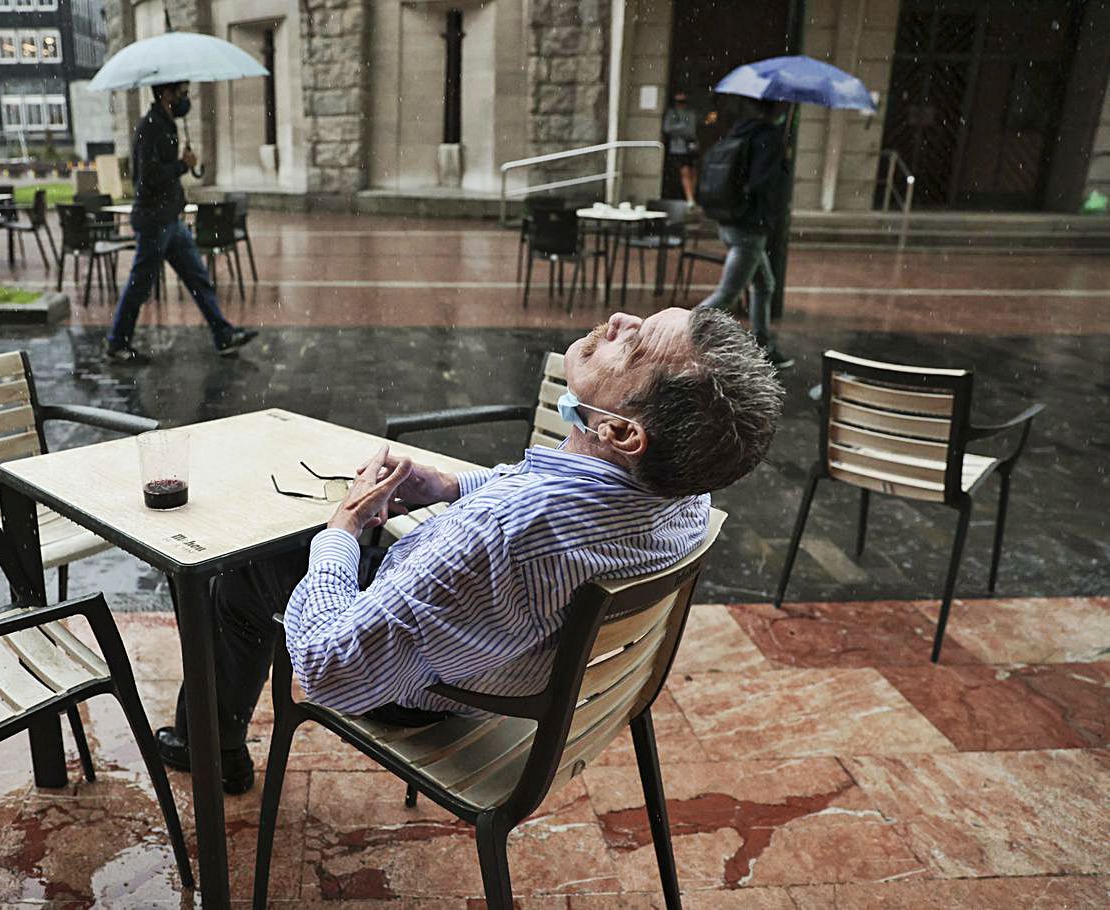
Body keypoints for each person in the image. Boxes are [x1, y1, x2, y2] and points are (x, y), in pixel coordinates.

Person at [155, 307, 783, 792]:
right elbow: (551, 496)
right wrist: (452, 485)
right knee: (302, 555)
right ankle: (212, 739)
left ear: (620, 430)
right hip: (514, 654)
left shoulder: (496, 534)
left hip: (428, 688)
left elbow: (331, 667)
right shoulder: (683, 492)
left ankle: (211, 751)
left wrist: (343, 531)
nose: (620, 321)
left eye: (635, 342)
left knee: (241, 574)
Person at [105, 81, 257, 365]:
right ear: (166, 94)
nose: (186, 100)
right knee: (140, 284)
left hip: (170, 221)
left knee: (198, 278)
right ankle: (117, 343)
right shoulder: (151, 127)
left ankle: (223, 335)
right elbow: (147, 177)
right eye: (182, 94)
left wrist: (183, 164)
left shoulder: (166, 124)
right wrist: (182, 165)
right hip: (154, 221)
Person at [695, 97, 793, 370]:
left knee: (764, 284)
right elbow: (764, 182)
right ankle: (678, 333)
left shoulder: (741, 130)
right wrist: (783, 165)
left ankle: (764, 345)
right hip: (749, 227)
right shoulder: (769, 137)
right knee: (727, 294)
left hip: (730, 221)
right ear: (778, 107)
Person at [661, 90, 700, 205]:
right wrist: (682, 127)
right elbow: (667, 128)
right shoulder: (672, 113)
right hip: (677, 147)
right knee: (685, 172)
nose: (681, 104)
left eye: (683, 101)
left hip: (690, 147)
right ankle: (689, 198)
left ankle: (691, 196)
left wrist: (679, 129)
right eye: (678, 101)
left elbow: (692, 130)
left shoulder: (690, 113)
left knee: (692, 172)